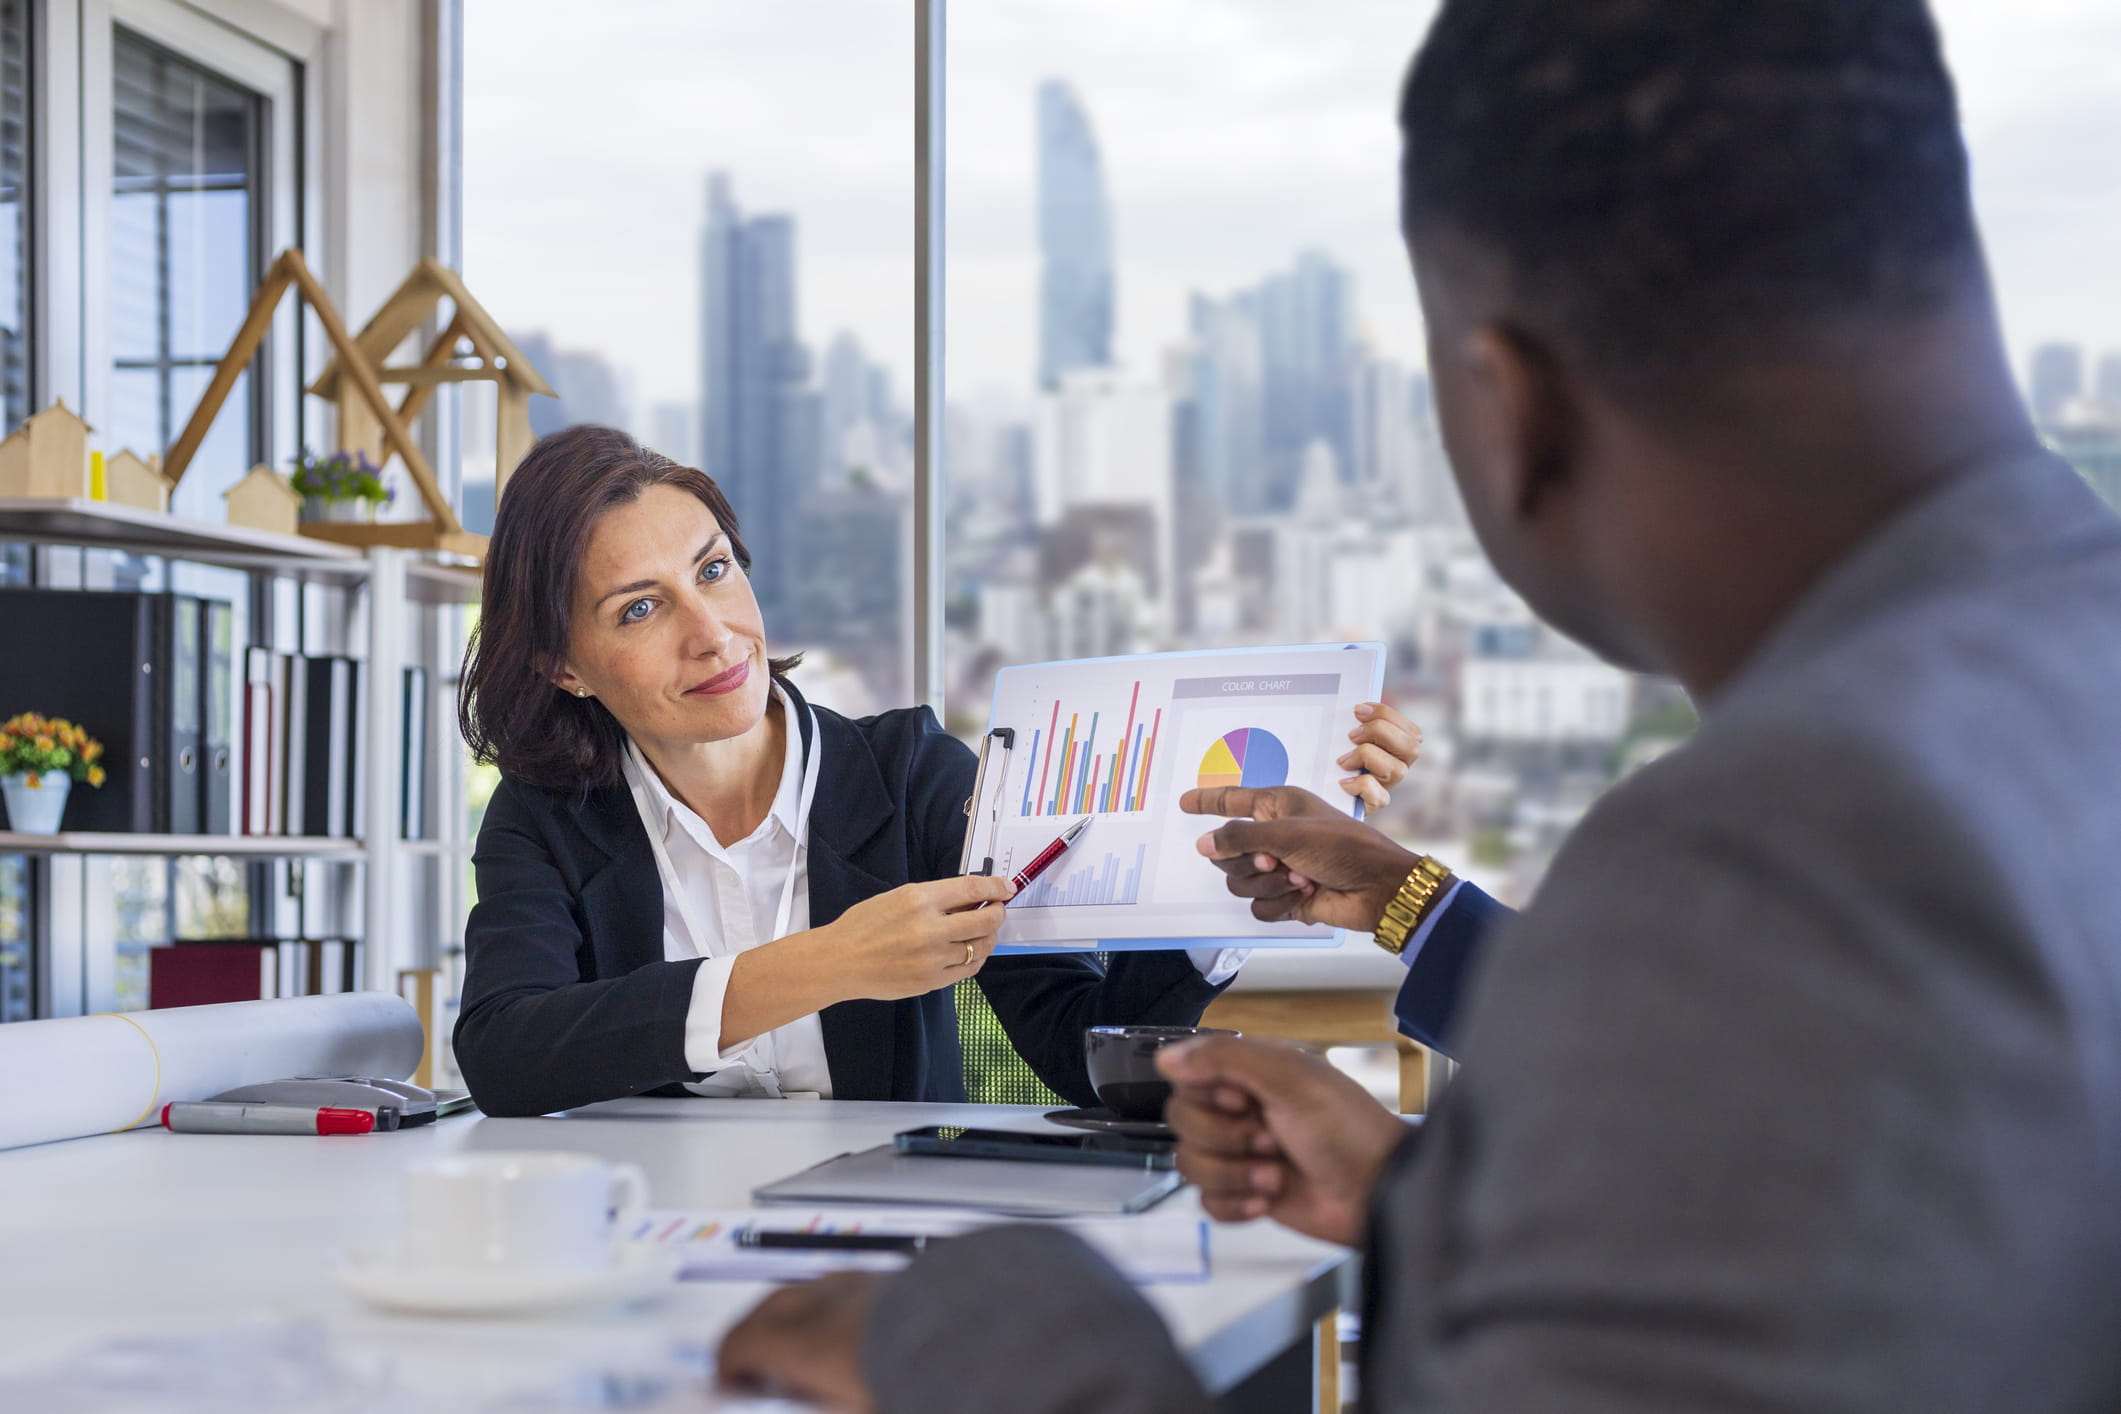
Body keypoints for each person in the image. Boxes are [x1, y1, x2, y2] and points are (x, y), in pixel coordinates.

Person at [715, 1, 2121, 1410]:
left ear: (1513, 407)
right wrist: (1423, 1184)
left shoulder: (1782, 846)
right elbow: (1868, 1243)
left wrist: (985, 1330)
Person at [451, 426, 1422, 1116]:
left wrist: (1228, 908)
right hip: (643, 1249)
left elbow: (1085, 1052)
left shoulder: (911, 776)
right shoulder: (549, 818)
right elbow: (505, 1053)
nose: (713, 635)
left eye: (712, 571)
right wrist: (827, 964)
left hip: (877, 1255)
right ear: (561, 664)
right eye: (638, 608)